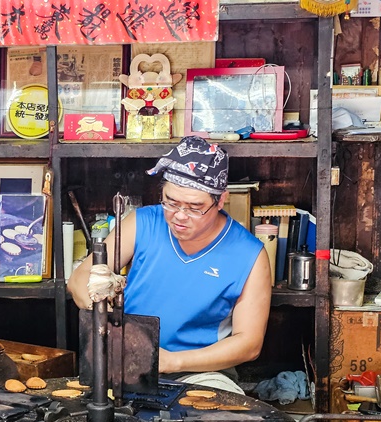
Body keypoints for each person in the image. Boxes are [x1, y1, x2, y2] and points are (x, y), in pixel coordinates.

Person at [67, 136, 272, 393]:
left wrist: (172, 361)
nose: (180, 216)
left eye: (195, 207)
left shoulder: (249, 254)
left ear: (221, 200)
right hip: (125, 359)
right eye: (171, 202)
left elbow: (249, 343)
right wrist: (98, 304)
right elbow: (78, 279)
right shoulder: (141, 223)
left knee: (217, 417)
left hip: (200, 372)